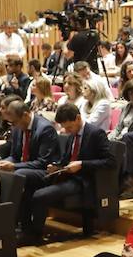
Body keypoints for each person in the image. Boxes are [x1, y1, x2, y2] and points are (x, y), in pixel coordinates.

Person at [22, 103, 112, 241]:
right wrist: (57, 167)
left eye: (69, 126)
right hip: (65, 175)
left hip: (82, 180)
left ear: (77, 118)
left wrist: (82, 164)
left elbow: (110, 162)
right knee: (29, 183)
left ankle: (35, 235)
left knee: (40, 195)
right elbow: (66, 159)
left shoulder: (95, 133)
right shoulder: (72, 134)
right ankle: (25, 228)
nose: (67, 130)